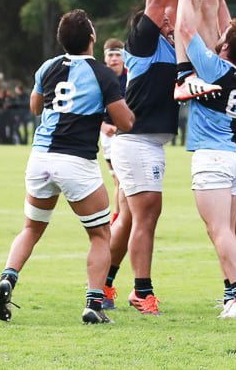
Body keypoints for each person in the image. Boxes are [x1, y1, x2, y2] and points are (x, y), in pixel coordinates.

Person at [0, 9, 134, 325]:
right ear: (92, 37)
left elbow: (35, 106)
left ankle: (8, 277)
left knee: (31, 228)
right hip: (76, 161)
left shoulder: (48, 66)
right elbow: (124, 121)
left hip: (40, 158)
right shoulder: (103, 74)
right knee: (100, 234)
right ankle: (93, 305)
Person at [171, 0, 236, 318]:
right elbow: (231, 36)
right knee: (228, 231)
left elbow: (184, 29)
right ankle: (232, 296)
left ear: (224, 46)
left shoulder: (213, 68)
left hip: (213, 158)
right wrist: (220, 1)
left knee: (219, 230)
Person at [108, 0, 184, 316]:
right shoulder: (144, 44)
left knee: (128, 219)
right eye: (163, 20)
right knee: (147, 216)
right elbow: (156, 2)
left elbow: (177, 8)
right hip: (137, 142)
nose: (169, 20)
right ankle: (142, 291)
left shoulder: (174, 47)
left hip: (145, 144)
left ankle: (102, 285)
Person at [98, 37, 130, 311]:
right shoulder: (101, 76)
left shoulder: (130, 76)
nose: (114, 59)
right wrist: (103, 125)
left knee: (120, 179)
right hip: (110, 135)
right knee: (117, 178)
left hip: (128, 133)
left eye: (117, 54)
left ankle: (117, 217)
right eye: (110, 55)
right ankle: (118, 217)